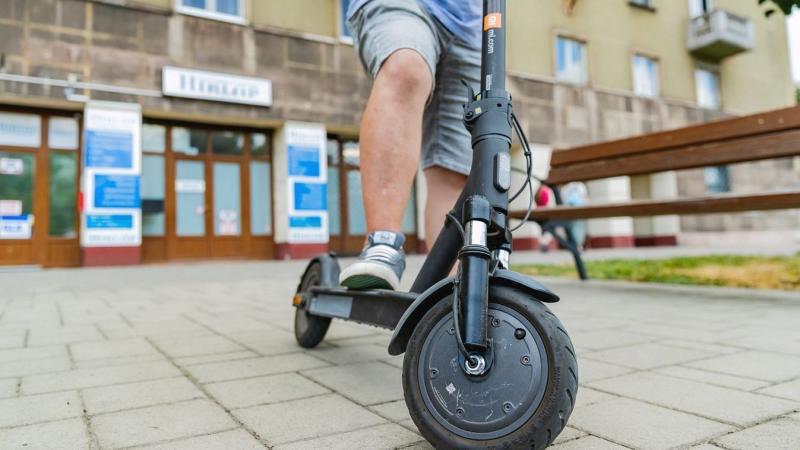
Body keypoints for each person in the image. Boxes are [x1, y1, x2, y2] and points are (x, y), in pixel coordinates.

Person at [338, 0, 483, 290]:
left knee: (451, 168)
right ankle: (383, 243)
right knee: (407, 68)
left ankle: (454, 292)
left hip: (471, 24)